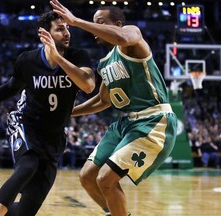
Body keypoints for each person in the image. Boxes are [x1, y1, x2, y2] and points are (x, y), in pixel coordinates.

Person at [0, 10, 95, 216]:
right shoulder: (27, 61)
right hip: (25, 123)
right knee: (28, 165)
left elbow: (88, 86)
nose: (67, 33)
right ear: (45, 35)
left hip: (54, 136)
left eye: (67, 28)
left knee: (25, 211)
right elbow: (12, 87)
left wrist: (59, 58)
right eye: (60, 29)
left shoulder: (79, 57)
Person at [50, 0, 177, 215]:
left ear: (117, 24)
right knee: (88, 177)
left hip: (154, 120)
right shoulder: (105, 62)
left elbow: (121, 37)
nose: (95, 29)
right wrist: (68, 112)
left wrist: (77, 22)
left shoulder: (132, 36)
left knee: (106, 178)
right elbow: (103, 101)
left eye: (100, 23)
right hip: (126, 123)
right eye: (94, 23)